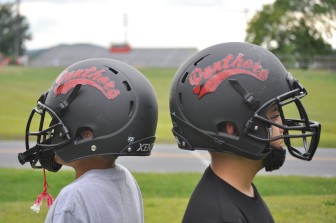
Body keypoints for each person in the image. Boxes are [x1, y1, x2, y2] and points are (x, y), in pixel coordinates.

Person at [169, 42, 321, 223]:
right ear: (231, 130)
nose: (282, 125)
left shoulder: (237, 193)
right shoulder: (217, 215)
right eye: (274, 116)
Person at [18, 58, 158, 223]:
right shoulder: (126, 179)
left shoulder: (74, 198)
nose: (52, 132)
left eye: (57, 124)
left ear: (86, 134)